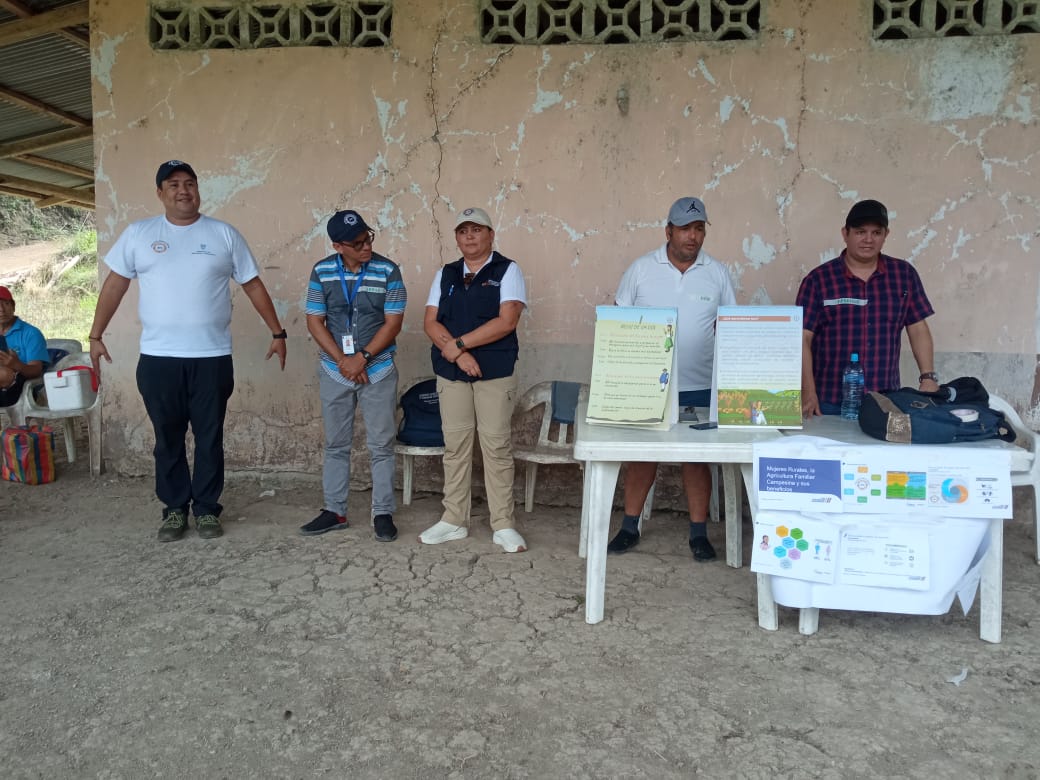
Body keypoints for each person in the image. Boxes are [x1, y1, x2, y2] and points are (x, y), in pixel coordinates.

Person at [89, 160, 287, 543]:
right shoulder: (139, 234)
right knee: (168, 437)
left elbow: (252, 284)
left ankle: (207, 508)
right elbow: (115, 285)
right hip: (158, 359)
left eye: (190, 183)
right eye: (174, 184)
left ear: (198, 189)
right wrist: (96, 335)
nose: (183, 191)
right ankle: (175, 508)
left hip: (211, 357)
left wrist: (277, 332)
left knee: (209, 436)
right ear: (160, 193)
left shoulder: (223, 234)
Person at [607, 196, 736, 561]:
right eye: (684, 229)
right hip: (651, 386)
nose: (692, 236)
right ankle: (629, 528)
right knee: (643, 457)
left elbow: (730, 326)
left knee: (696, 459)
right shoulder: (641, 269)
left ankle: (699, 534)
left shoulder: (716, 272)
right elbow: (619, 323)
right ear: (668, 231)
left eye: (698, 229)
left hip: (701, 385)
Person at [418, 206, 528, 553]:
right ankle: (454, 519)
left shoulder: (507, 270)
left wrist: (460, 345)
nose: (470, 236)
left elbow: (507, 321)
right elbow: (430, 321)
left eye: (477, 230)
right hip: (452, 373)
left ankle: (503, 524)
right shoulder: (446, 273)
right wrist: (458, 354)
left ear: (491, 235)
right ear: (456, 237)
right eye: (463, 231)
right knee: (456, 447)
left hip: (494, 373)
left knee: (496, 447)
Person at [300, 210, 406, 541]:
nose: (366, 247)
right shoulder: (322, 271)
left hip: (378, 369)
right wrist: (344, 362)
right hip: (335, 371)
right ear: (338, 246)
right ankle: (335, 510)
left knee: (381, 444)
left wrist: (362, 358)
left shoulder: (388, 270)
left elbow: (393, 322)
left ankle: (382, 512)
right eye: (357, 243)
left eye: (368, 238)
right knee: (336, 444)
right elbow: (315, 321)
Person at [797, 199, 938, 417]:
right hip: (829, 402)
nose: (868, 240)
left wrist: (928, 377)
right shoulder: (819, 280)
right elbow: (801, 338)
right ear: (845, 234)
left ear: (886, 235)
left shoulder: (904, 275)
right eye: (860, 232)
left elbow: (918, 328)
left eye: (876, 233)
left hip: (886, 401)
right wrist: (808, 391)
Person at [0, 286, 48, 409]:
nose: (1, 309)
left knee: (4, 374)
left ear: (13, 306)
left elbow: (36, 370)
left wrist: (16, 364)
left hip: (20, 388)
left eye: (6, 304)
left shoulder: (31, 333)